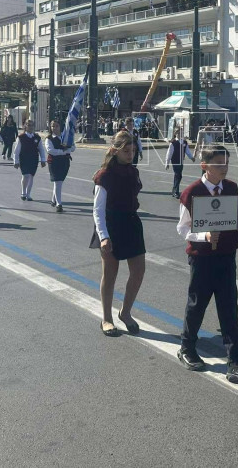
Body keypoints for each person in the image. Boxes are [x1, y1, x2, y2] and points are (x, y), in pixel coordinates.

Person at [176, 145, 238, 383]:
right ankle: (187, 348)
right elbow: (183, 228)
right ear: (204, 166)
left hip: (226, 257)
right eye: (218, 164)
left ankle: (236, 361)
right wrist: (203, 235)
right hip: (202, 259)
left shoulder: (232, 189)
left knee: (229, 308)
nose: (224, 168)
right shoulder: (192, 192)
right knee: (197, 305)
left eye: (226, 163)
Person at [91, 131, 146, 337]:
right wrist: (103, 236)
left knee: (138, 271)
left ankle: (126, 312)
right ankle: (106, 318)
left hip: (131, 223)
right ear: (115, 150)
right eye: (126, 151)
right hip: (110, 225)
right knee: (110, 274)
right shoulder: (104, 175)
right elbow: (98, 209)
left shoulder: (134, 171)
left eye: (132, 150)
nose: (130, 154)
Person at [45, 120, 75, 213]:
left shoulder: (65, 137)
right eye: (53, 126)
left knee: (59, 182)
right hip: (54, 162)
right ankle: (59, 204)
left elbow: (73, 147)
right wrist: (63, 151)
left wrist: (68, 148)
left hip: (64, 162)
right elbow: (50, 150)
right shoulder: (49, 139)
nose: (54, 128)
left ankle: (53, 200)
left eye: (56, 126)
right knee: (58, 182)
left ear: (60, 127)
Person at [13, 119, 46, 201]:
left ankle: (28, 194)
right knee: (25, 175)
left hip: (34, 159)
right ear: (25, 126)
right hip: (24, 159)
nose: (30, 127)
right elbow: (16, 151)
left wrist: (43, 160)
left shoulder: (37, 138)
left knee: (31, 176)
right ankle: (23, 192)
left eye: (32, 125)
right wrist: (16, 161)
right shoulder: (21, 137)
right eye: (28, 125)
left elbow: (41, 149)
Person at [165, 127, 195, 199]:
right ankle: (176, 191)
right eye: (178, 133)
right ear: (175, 133)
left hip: (181, 160)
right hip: (175, 161)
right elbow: (169, 153)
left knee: (179, 175)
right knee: (177, 175)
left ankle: (174, 189)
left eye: (181, 132)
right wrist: (167, 162)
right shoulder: (173, 143)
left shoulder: (184, 142)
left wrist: (191, 157)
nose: (180, 134)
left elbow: (187, 151)